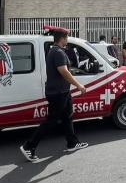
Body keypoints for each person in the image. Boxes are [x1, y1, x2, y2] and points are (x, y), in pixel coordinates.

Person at [20, 28, 88, 162]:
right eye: (67, 37)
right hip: (57, 93)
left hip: (63, 91)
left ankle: (72, 143)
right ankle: (29, 146)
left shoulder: (55, 51)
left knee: (68, 116)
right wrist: (79, 85)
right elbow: (64, 71)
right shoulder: (58, 52)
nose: (67, 39)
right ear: (62, 38)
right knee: (51, 120)